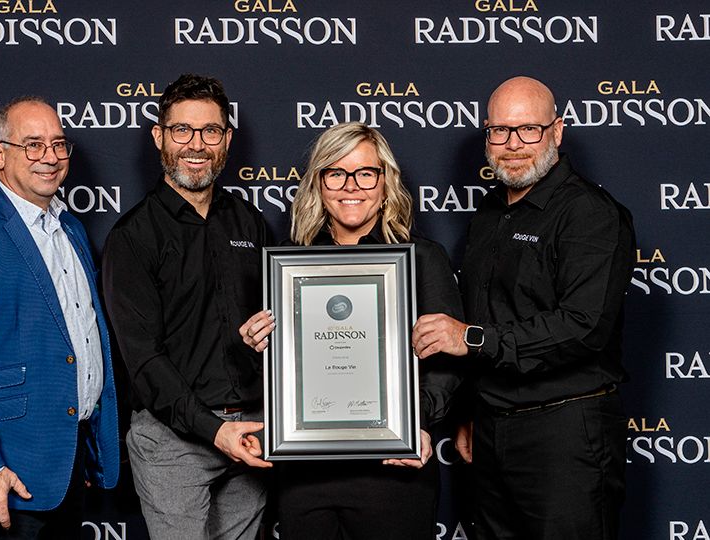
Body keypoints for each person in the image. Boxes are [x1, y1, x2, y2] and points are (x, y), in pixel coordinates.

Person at [411, 76, 635, 540]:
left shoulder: (590, 213)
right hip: (492, 432)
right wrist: (472, 410)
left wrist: (469, 338)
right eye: (500, 131)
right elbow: (489, 309)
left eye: (528, 130)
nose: (513, 145)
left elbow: (583, 326)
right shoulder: (490, 214)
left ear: (557, 130)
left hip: (566, 433)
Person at [240, 122, 464, 539]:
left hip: (394, 469)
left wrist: (417, 421)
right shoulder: (288, 266)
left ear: (385, 182)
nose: (351, 186)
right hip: (306, 474)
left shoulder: (422, 258)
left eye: (365, 173)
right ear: (319, 183)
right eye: (336, 173)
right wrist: (259, 346)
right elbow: (284, 365)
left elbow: (445, 363)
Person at [0, 96, 120, 539]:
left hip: (64, 465)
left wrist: (85, 450)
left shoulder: (69, 229)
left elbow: (77, 340)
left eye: (58, 144)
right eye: (33, 144)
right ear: (0, 154)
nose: (49, 157)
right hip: (5, 474)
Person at [102, 74, 270, 540]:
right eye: (182, 130)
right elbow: (143, 359)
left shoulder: (248, 221)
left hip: (252, 427)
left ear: (227, 140)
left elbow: (281, 320)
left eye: (211, 131)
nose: (196, 145)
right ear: (159, 136)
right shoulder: (133, 237)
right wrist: (213, 430)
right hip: (172, 441)